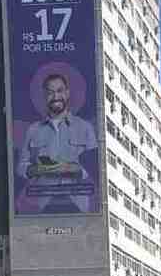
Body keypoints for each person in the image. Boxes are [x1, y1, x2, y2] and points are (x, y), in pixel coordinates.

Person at [16, 73, 99, 213]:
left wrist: (77, 170)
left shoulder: (85, 127)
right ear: (44, 96)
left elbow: (96, 167)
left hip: (78, 203)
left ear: (67, 93)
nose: (55, 97)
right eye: (50, 92)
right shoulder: (33, 130)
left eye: (60, 91)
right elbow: (21, 166)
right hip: (42, 203)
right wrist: (34, 170)